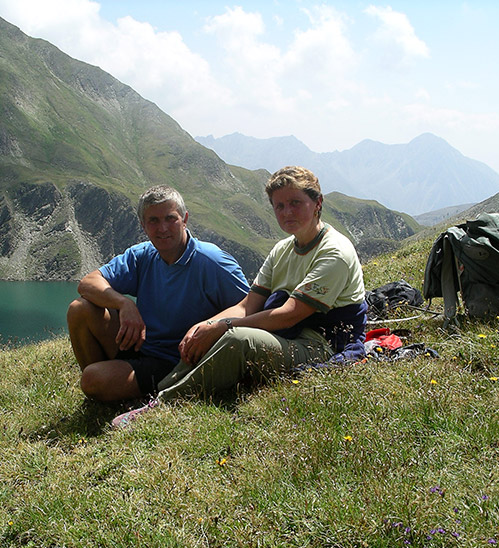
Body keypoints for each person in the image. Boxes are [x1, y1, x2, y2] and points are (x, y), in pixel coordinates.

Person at [112, 166, 367, 426]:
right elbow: (248, 304)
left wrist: (224, 325)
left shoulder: (334, 251)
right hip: (289, 338)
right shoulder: (283, 249)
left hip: (321, 345)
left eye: (295, 203)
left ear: (317, 203)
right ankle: (162, 391)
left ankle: (162, 405)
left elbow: (290, 315)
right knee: (209, 331)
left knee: (238, 338)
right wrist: (207, 326)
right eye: (279, 206)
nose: (287, 212)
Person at [67, 184, 250, 403]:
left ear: (185, 219)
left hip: (178, 361)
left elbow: (249, 307)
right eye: (153, 220)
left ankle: (111, 386)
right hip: (140, 344)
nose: (162, 228)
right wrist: (124, 304)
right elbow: (87, 283)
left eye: (170, 218)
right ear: (143, 225)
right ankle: (107, 390)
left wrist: (211, 326)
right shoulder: (142, 255)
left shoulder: (212, 262)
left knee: (92, 379)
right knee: (80, 309)